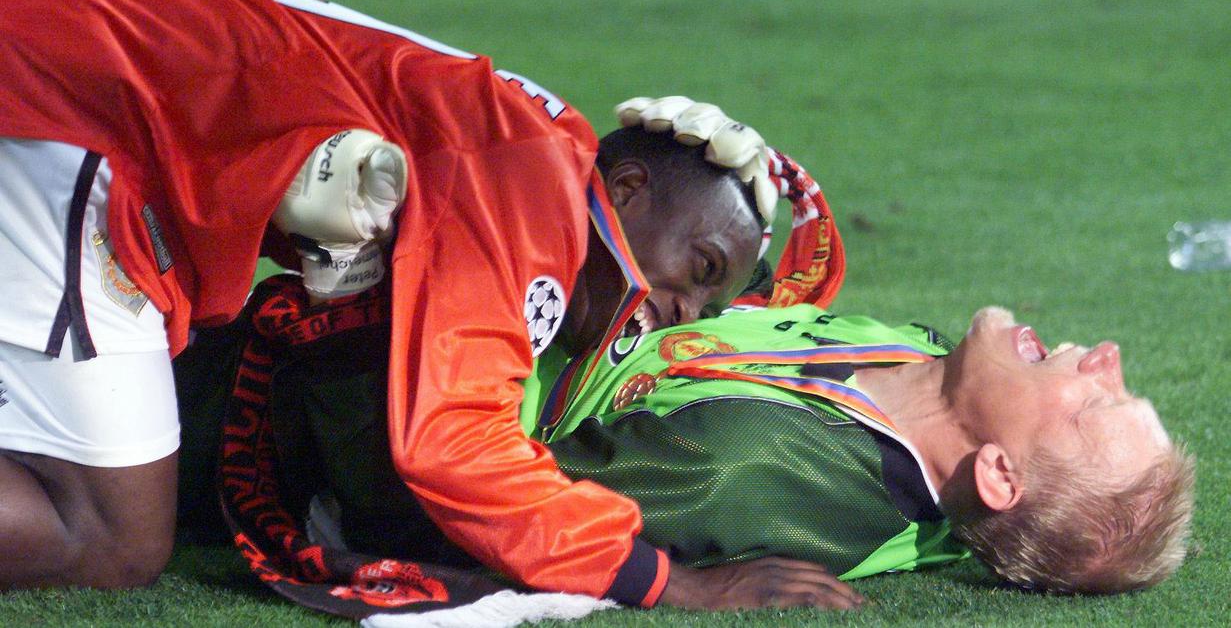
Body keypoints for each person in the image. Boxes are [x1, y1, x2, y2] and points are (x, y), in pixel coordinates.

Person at [0, 0, 846, 610]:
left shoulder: (534, 150)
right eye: (697, 269)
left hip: (86, 48)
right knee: (108, 537)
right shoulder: (534, 193)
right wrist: (669, 581)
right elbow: (450, 445)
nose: (676, 309)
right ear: (625, 189)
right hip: (79, 90)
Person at [175, 279, 1193, 603]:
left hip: (256, 416)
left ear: (999, 471)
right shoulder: (928, 373)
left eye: (1096, 400)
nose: (1104, 353)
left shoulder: (745, 469)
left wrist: (366, 285)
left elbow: (441, 484)